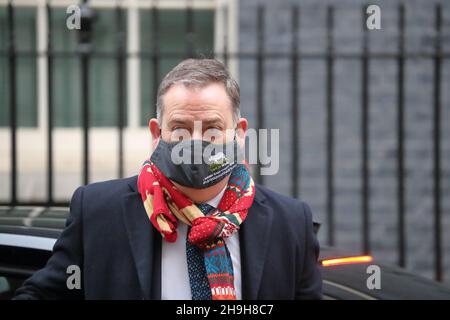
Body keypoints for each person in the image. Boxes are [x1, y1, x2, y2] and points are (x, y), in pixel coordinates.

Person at [13, 59, 322, 300]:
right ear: (156, 134)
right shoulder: (97, 213)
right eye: (180, 129)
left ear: (240, 134)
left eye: (213, 129)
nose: (195, 143)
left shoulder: (290, 223)